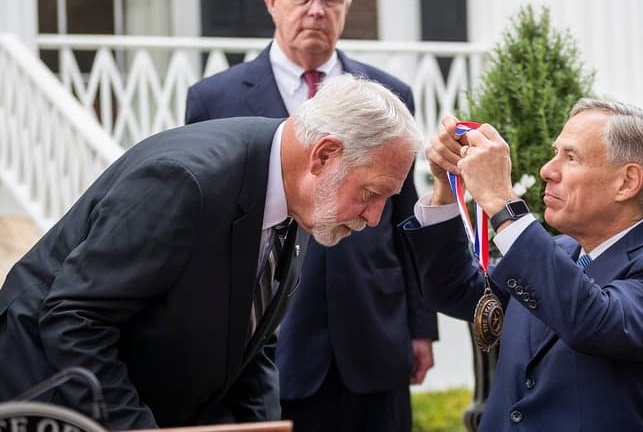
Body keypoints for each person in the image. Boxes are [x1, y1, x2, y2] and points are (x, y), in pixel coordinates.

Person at [0, 75, 422, 431]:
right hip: (45, 393)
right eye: (370, 193)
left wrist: (256, 429)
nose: (374, 217)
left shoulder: (308, 198)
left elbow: (251, 345)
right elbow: (74, 319)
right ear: (324, 155)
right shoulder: (186, 184)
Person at [185, 0, 437, 431]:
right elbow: (206, 233)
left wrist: (420, 325)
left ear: (347, 5)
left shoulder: (391, 95)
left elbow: (404, 217)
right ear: (271, 0)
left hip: (375, 338)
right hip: (271, 347)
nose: (317, 10)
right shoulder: (214, 100)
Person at [402, 98, 643, 431]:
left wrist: (501, 201)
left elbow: (593, 319)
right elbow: (457, 291)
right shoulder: (563, 250)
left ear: (627, 182)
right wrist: (445, 192)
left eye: (571, 157)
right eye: (556, 153)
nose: (547, 170)